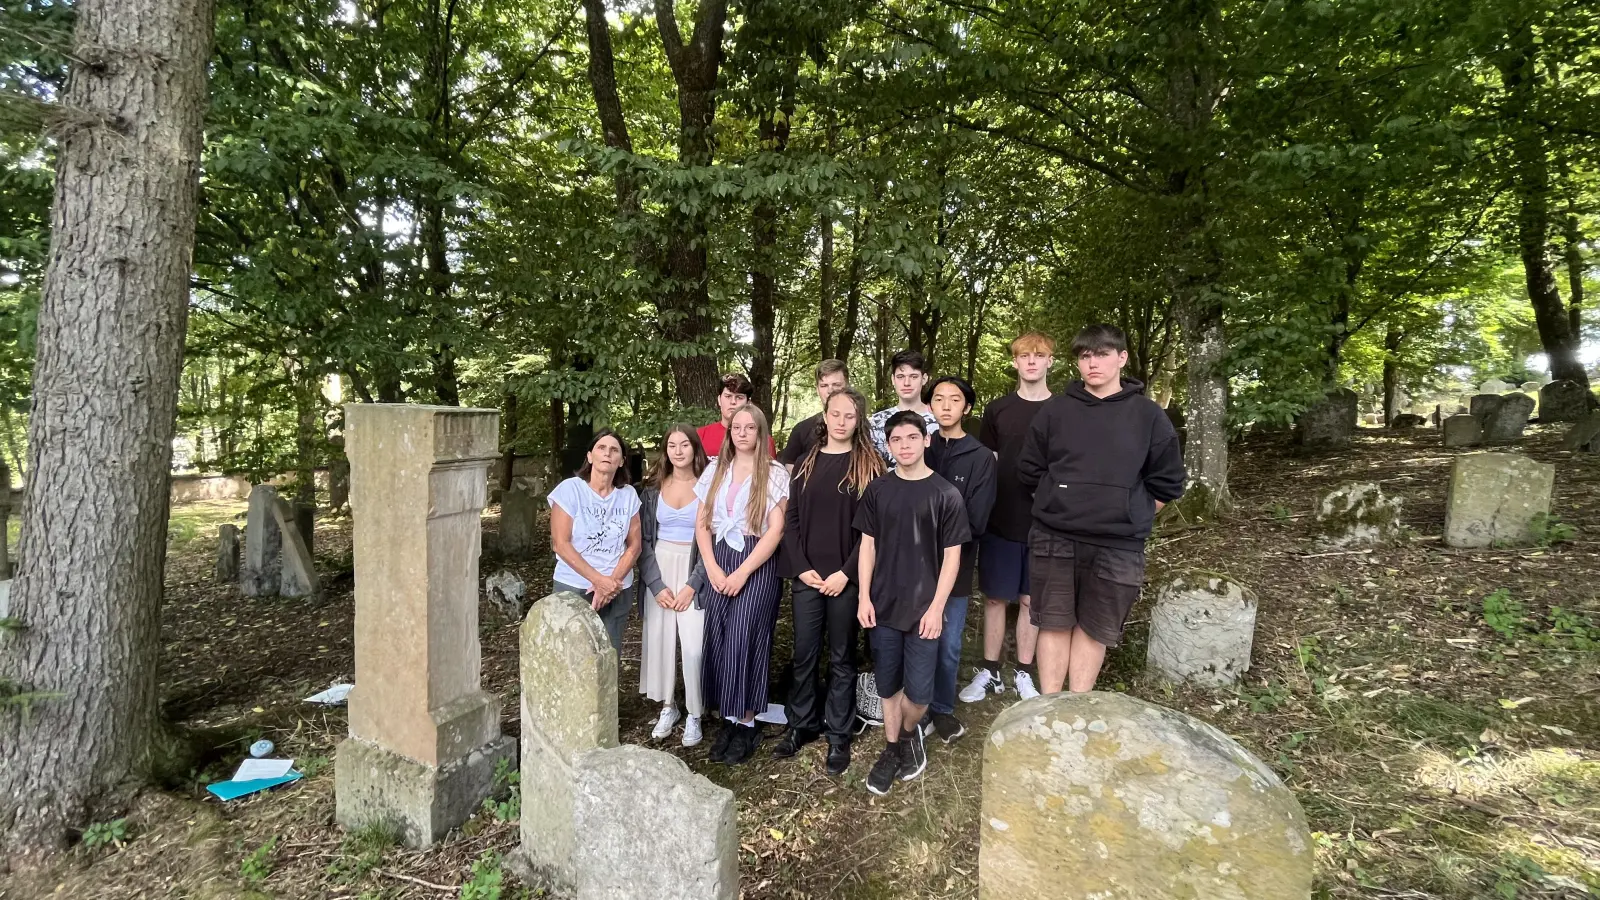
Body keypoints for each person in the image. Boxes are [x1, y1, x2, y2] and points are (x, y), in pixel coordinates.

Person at [1017, 324, 1186, 694]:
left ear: (1122, 358)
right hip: (1055, 537)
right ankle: (1050, 708)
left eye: (1102, 354)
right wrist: (1058, 501)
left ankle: (1077, 705)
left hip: (1118, 545)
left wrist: (1131, 511)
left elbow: (1168, 482)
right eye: (1085, 355)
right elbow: (1029, 470)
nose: (1093, 363)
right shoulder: (1055, 412)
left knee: (1095, 628)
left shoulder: (1149, 416)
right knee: (1054, 623)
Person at [854, 411, 969, 795]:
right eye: (896, 440)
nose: (904, 445)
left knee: (918, 695)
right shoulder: (878, 490)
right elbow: (867, 546)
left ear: (926, 440)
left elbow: (953, 556)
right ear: (889, 446)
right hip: (883, 604)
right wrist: (863, 596)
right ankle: (892, 749)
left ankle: (907, 733)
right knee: (888, 685)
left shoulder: (945, 494)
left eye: (911, 438)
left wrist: (937, 608)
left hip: (924, 609)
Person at [774, 387, 883, 775]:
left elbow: (872, 531)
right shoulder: (806, 462)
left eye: (849, 416)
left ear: (859, 420)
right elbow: (792, 519)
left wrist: (846, 573)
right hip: (808, 577)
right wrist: (801, 567)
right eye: (834, 414)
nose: (840, 422)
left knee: (842, 657)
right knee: (804, 655)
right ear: (824, 416)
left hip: (846, 579)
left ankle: (838, 732)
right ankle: (800, 723)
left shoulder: (868, 465)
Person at [962, 331, 1055, 704]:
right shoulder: (997, 409)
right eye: (1024, 356)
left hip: (1044, 522)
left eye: (1039, 355)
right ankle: (990, 671)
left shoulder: (1062, 409)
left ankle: (1023, 673)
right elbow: (989, 463)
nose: (1031, 361)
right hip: (1001, 518)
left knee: (1031, 601)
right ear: (1015, 363)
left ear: (1051, 361)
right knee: (996, 599)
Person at [695, 405, 789, 765]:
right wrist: (713, 569)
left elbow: (776, 530)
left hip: (756, 561)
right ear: (729, 430)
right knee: (719, 635)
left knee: (744, 636)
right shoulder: (717, 470)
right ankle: (729, 719)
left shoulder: (774, 473)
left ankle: (749, 722)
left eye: (751, 427)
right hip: (720, 557)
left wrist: (743, 572)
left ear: (761, 432)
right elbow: (703, 524)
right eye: (737, 426)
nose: (743, 432)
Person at [922, 376, 996, 744]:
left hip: (957, 563)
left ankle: (942, 708)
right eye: (938, 399)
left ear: (966, 407)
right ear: (930, 405)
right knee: (913, 635)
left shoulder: (981, 457)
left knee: (948, 642)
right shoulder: (917, 445)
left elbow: (977, 518)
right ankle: (915, 706)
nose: (946, 406)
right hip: (911, 564)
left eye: (955, 400)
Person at [637, 425, 710, 747]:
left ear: (695, 448)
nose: (678, 450)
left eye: (684, 445)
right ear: (665, 450)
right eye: (671, 445)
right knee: (661, 641)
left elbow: (714, 542)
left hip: (694, 570)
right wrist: (655, 584)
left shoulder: (710, 485)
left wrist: (692, 585)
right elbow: (642, 541)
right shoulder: (652, 489)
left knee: (693, 645)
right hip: (660, 569)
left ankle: (695, 711)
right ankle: (669, 706)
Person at [548, 430, 642, 657]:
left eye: (614, 450)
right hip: (574, 587)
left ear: (621, 461)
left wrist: (611, 583)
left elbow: (635, 545)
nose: (607, 453)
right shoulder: (571, 489)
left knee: (608, 659)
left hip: (617, 590)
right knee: (571, 659)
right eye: (601, 448)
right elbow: (560, 543)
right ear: (590, 456)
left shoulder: (627, 494)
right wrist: (599, 581)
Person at [867, 350, 938, 466]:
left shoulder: (939, 419)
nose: (906, 383)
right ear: (893, 379)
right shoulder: (876, 421)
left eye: (913, 376)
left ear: (924, 379)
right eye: (900, 377)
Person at [778, 359, 850, 473]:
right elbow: (790, 472)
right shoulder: (801, 430)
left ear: (847, 386)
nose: (830, 390)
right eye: (824, 385)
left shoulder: (862, 426)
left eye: (836, 384)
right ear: (817, 389)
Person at [698, 372, 776, 459]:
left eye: (739, 397)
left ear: (748, 402)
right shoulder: (700, 436)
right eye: (728, 396)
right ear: (719, 400)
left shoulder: (764, 440)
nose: (733, 402)